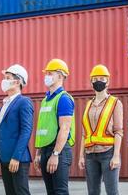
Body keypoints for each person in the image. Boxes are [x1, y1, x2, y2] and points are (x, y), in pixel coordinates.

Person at [78, 64, 123, 195]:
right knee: (92, 192)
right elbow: (84, 134)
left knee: (112, 192)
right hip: (90, 155)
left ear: (107, 82)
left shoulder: (115, 103)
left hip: (108, 153)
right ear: (91, 82)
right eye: (95, 78)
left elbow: (118, 131)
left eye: (102, 78)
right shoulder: (88, 104)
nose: (98, 81)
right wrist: (81, 156)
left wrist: (116, 156)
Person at [34, 59, 75, 195]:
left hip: (59, 151)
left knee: (60, 192)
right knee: (51, 192)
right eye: (46, 73)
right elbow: (43, 129)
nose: (47, 76)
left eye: (50, 73)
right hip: (46, 150)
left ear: (61, 76)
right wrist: (39, 153)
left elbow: (65, 128)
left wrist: (55, 154)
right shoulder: (46, 100)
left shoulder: (64, 98)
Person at [0, 64, 34, 195]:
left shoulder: (24, 102)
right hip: (4, 159)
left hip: (17, 160)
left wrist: (16, 157)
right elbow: (0, 133)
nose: (4, 81)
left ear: (17, 81)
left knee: (21, 192)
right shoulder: (5, 104)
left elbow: (26, 131)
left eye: (7, 77)